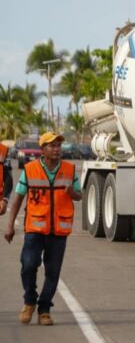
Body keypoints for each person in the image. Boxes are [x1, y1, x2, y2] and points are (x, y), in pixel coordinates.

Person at [4, 132, 82, 326]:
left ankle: (44, 310)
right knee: (28, 265)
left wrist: (72, 193)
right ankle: (29, 301)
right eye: (52, 145)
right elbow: (18, 199)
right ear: (43, 149)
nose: (56, 149)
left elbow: (79, 195)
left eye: (58, 145)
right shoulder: (30, 169)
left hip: (59, 230)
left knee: (53, 272)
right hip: (35, 228)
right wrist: (10, 225)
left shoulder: (70, 169)